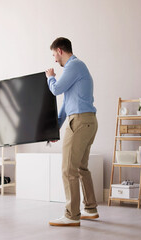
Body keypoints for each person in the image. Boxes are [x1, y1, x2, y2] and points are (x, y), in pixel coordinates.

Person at [45, 37, 98, 226]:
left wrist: (50, 77)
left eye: (54, 55)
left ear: (60, 51)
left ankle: (71, 215)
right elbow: (67, 103)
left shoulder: (73, 66)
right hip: (88, 121)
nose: (54, 60)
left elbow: (56, 89)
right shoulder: (77, 69)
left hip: (80, 122)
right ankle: (90, 209)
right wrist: (55, 129)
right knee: (81, 168)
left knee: (68, 169)